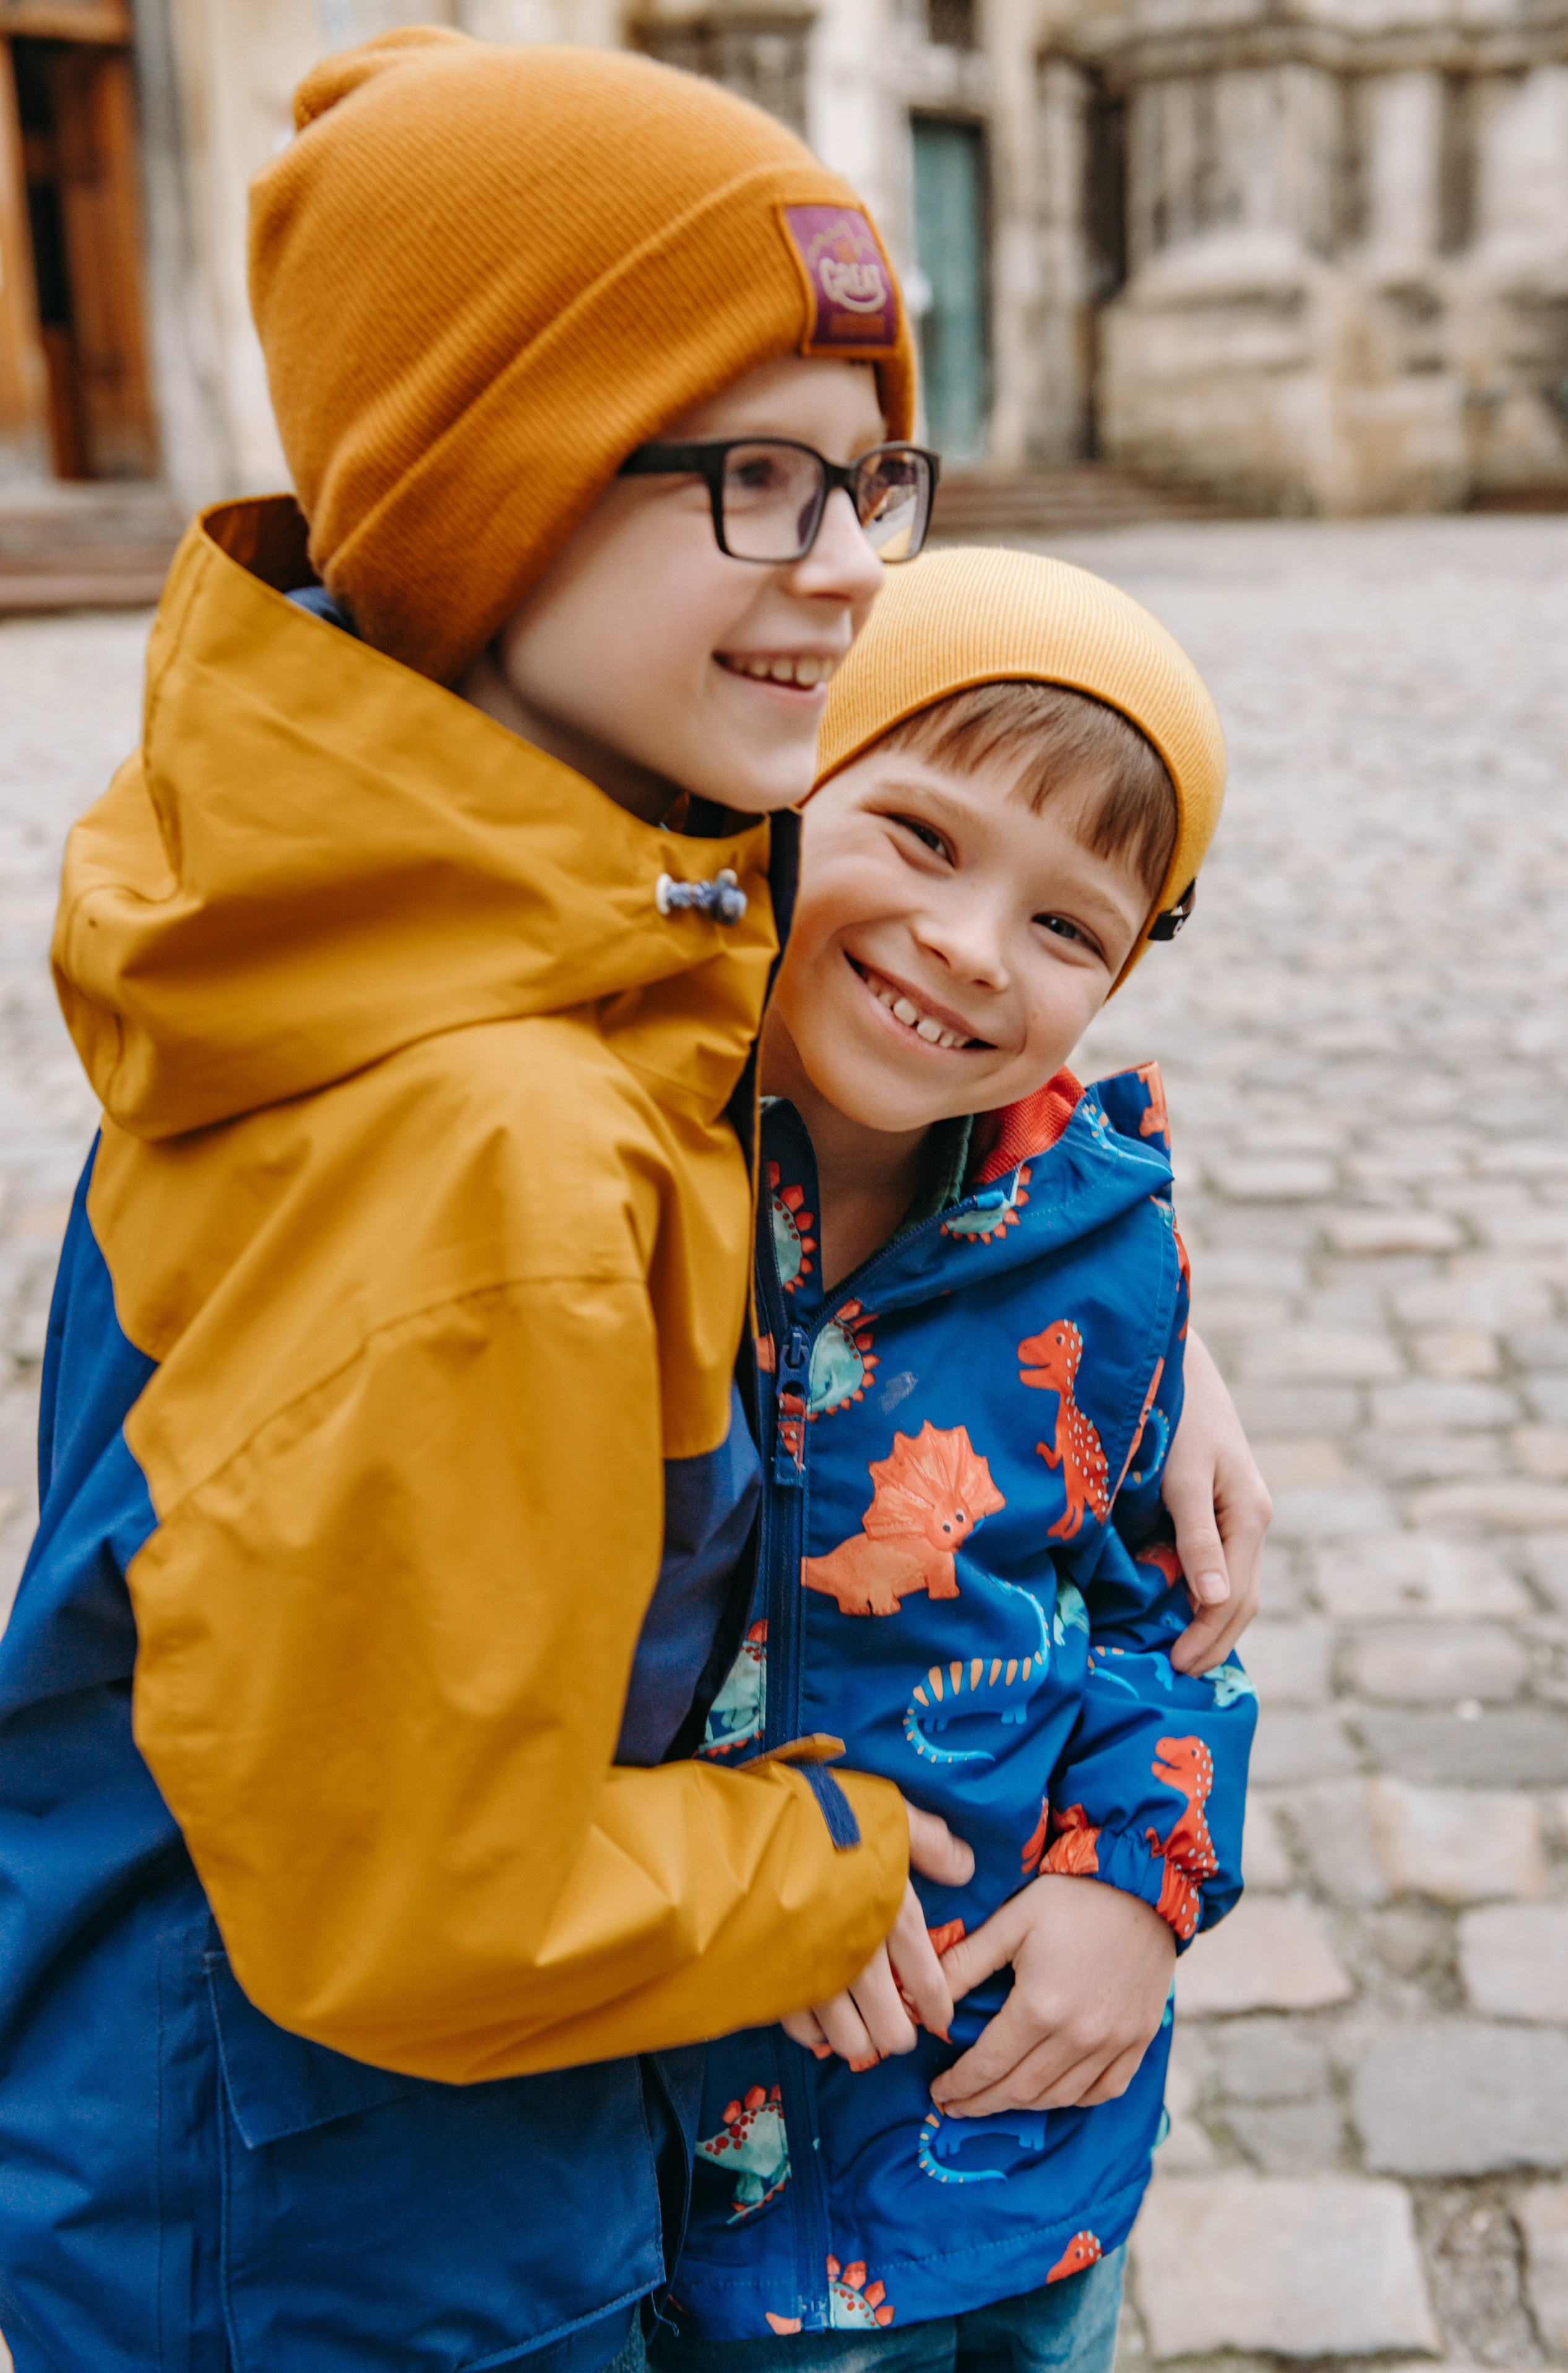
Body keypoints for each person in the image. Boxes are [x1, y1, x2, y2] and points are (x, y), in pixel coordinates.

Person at [0, 33, 1265, 2373]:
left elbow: (856, 1079)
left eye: (868, 477)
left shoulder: (423, 918)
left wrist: (1130, 1306)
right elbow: (423, 1899)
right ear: (492, 488)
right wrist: (839, 1854)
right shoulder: (495, 1129)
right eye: (757, 479)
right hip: (365, 2247)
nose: (853, 562)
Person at [658, 547, 1259, 2370]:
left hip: (1025, 2156)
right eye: (922, 836)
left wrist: (1136, 1883)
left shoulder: (1104, 1248)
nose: (974, 946)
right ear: (788, 792)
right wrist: (749, 1876)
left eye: (1070, 928)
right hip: (699, 2178)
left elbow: (1166, 1614)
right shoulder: (623, 1171)